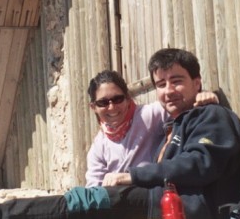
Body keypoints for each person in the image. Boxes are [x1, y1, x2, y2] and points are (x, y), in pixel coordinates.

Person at [0, 48, 240, 219]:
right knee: (84, 203)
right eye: (160, 84)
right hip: (164, 207)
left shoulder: (210, 116)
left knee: (89, 200)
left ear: (197, 83)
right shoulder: (173, 124)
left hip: (187, 216)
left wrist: (133, 175)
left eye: (177, 81)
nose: (168, 91)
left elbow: (202, 164)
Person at [84, 70, 218, 186]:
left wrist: (201, 96)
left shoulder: (148, 116)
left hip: (153, 193)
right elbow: (94, 188)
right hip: (120, 204)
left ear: (128, 98)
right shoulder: (98, 148)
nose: (112, 107)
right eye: (103, 103)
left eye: (118, 99)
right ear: (93, 107)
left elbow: (181, 105)